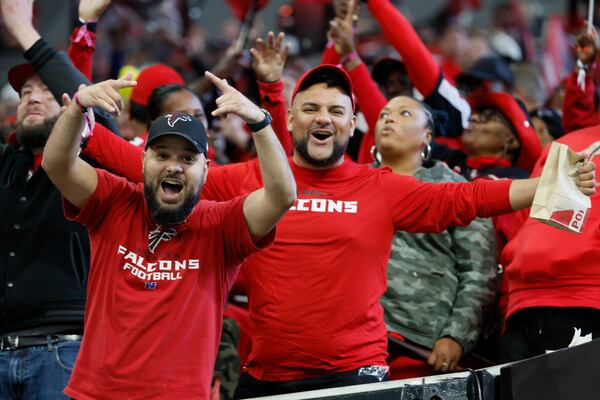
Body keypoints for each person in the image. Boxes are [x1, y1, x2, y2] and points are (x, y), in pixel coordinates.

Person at [77, 63, 596, 397]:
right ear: (293, 123)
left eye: (335, 111)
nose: (322, 117)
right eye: (310, 109)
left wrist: (549, 181)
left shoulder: (382, 186)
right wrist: (73, 106)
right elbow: (138, 161)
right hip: (267, 378)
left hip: (356, 378)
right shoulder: (250, 177)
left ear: (352, 127)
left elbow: (467, 198)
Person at [42, 72, 296, 398]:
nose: (173, 167)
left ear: (205, 169)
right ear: (144, 159)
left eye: (187, 158)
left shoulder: (222, 226)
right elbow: (57, 164)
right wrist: (77, 107)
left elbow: (283, 196)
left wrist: (260, 123)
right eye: (162, 155)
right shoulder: (114, 200)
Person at [373, 96, 497, 378]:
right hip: (353, 338)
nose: (388, 119)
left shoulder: (454, 188)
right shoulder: (353, 183)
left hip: (420, 343)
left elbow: (479, 272)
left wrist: (457, 336)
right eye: (383, 115)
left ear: (427, 135)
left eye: (404, 113)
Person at [0, 64, 87, 399]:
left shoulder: (91, 163)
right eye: (25, 93)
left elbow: (92, 109)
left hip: (61, 351)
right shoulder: (8, 163)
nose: (33, 99)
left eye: (47, 90)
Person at [500, 123, 600, 362]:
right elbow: (524, 220)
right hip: (527, 302)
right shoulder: (566, 142)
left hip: (580, 299)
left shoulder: (566, 141)